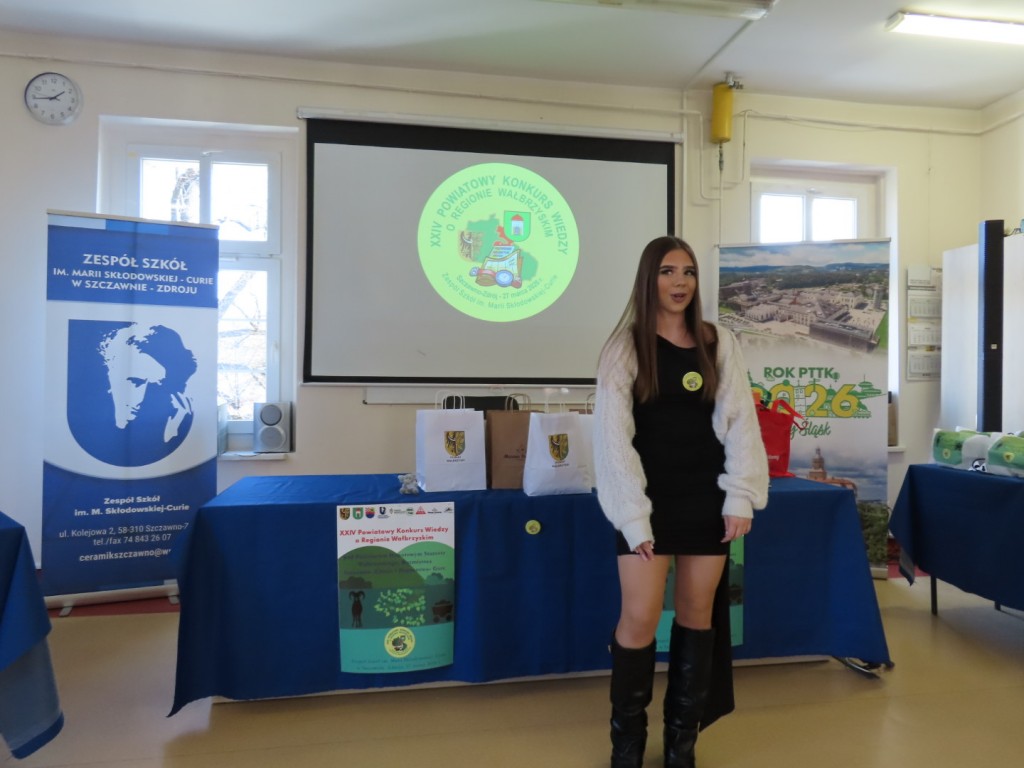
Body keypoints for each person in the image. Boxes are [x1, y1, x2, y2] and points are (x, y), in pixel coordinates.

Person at [592, 235, 769, 768]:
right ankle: (627, 744)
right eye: (668, 271)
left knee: (696, 616)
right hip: (645, 503)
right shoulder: (625, 347)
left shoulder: (719, 342)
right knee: (639, 618)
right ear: (649, 280)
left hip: (705, 501)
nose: (680, 282)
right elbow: (613, 441)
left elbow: (740, 423)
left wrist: (740, 496)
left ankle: (680, 743)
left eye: (688, 272)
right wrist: (632, 517)